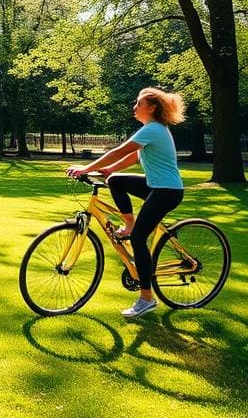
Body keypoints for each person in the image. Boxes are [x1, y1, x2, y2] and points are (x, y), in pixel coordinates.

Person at [66, 87, 186, 319]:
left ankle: (146, 299)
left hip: (167, 191)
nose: (134, 107)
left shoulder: (153, 129)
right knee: (116, 180)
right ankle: (129, 223)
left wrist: (87, 168)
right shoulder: (151, 130)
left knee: (139, 239)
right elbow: (134, 155)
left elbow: (122, 149)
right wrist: (109, 170)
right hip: (156, 186)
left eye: (139, 103)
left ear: (151, 107)